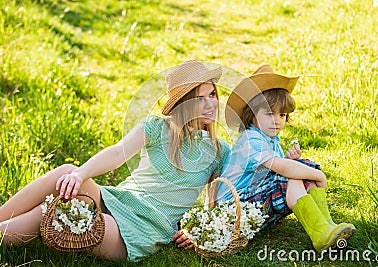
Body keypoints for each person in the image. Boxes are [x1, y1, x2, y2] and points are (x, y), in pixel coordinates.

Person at [0, 60, 230, 261]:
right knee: (67, 171)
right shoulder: (157, 127)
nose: (211, 104)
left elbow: (227, 198)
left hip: (141, 229)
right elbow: (118, 153)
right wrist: (80, 174)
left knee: (53, 212)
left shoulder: (219, 151)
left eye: (212, 95)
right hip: (116, 200)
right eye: (200, 98)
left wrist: (198, 228)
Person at [217, 64, 356, 252]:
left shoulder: (271, 141)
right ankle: (321, 232)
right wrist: (317, 174)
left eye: (282, 114)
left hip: (252, 210)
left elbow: (282, 171)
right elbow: (282, 170)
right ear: (251, 114)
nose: (277, 120)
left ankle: (326, 226)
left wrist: (293, 161)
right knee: (292, 172)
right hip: (233, 213)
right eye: (269, 114)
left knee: (297, 170)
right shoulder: (251, 140)